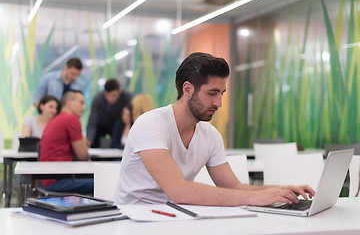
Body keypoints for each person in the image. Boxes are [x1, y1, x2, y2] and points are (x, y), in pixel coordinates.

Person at [115, 52, 314, 206]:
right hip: (136, 219)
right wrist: (255, 198)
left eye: (222, 93)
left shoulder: (210, 136)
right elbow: (178, 191)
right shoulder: (151, 123)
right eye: (212, 93)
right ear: (187, 89)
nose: (219, 103)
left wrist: (281, 190)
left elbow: (234, 187)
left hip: (178, 216)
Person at [39, 90, 93, 194]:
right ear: (69, 103)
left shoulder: (56, 119)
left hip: (47, 180)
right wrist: (85, 143)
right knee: (102, 182)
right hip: (58, 181)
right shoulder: (71, 120)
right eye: (81, 103)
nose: (84, 107)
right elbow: (82, 155)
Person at [87, 78, 133, 148]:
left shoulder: (128, 97)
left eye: (113, 96)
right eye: (107, 96)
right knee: (94, 136)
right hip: (102, 125)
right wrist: (89, 140)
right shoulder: (98, 98)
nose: (110, 99)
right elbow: (93, 121)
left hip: (119, 125)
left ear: (119, 91)